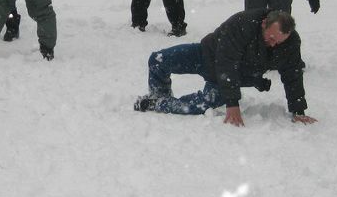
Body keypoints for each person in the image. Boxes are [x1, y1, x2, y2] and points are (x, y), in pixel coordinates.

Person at [133, 8, 313, 128]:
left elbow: (293, 74)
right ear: (264, 23)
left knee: (203, 105)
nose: (274, 45)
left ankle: (158, 103)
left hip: (230, 77)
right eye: (271, 38)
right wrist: (232, 103)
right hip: (207, 55)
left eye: (279, 42)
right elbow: (227, 61)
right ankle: (159, 94)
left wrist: (298, 110)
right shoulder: (243, 23)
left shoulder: (290, 43)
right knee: (158, 59)